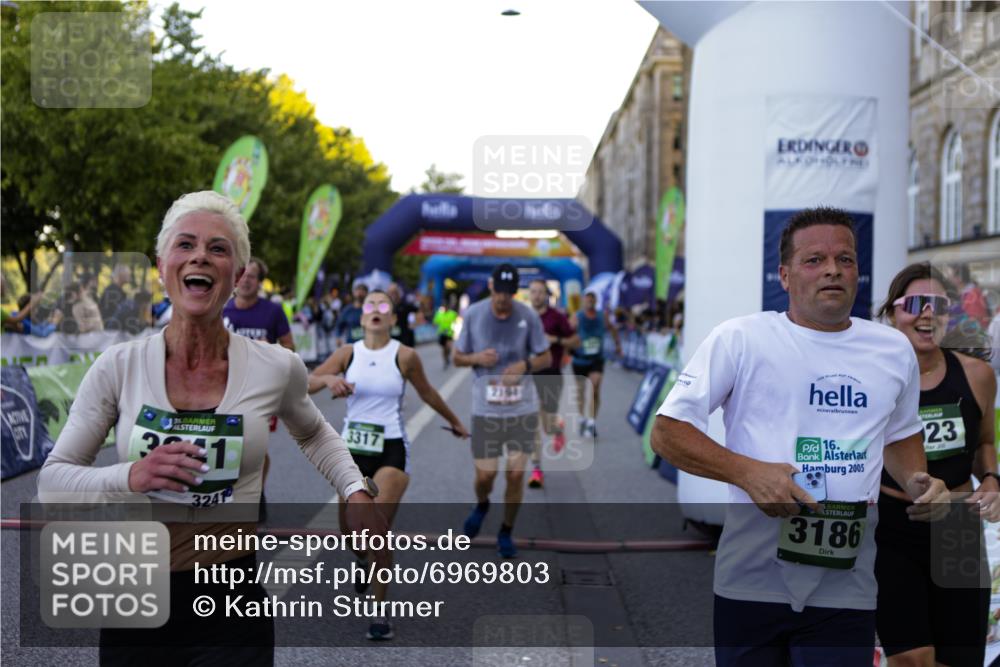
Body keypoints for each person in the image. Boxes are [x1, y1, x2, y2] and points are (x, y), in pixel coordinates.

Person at [37, 190, 384, 666]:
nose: (200, 255)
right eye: (185, 245)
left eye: (218, 248)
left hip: (230, 598)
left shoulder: (275, 367)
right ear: (162, 266)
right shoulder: (118, 366)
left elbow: (315, 432)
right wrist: (131, 477)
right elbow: (53, 482)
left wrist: (355, 490)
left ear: (237, 275)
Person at [650, 206, 949, 666]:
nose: (832, 269)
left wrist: (918, 482)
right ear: (785, 276)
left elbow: (901, 435)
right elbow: (667, 432)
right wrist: (748, 473)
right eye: (814, 260)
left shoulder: (892, 350)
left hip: (845, 585)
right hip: (751, 579)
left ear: (858, 272)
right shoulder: (741, 339)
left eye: (845, 259)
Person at [309, 289, 469, 640]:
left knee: (377, 526)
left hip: (392, 448)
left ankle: (380, 614)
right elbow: (307, 383)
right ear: (362, 316)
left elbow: (428, 392)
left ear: (394, 319)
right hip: (350, 452)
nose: (377, 310)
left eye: (385, 306)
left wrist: (455, 420)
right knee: (353, 534)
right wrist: (327, 379)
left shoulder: (406, 355)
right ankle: (361, 559)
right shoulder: (347, 353)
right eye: (371, 305)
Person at [874, 262, 999, 667]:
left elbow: (983, 441)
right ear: (893, 313)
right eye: (915, 303)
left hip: (957, 530)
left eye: (939, 305)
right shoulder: (872, 377)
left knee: (958, 658)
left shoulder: (977, 374)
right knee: (911, 658)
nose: (928, 314)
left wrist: (993, 479)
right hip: (895, 526)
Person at [453, 264, 551, 557]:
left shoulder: (528, 316)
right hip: (486, 411)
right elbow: (457, 358)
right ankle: (482, 504)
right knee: (486, 477)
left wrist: (525, 365)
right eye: (500, 292)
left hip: (522, 409)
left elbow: (546, 357)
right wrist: (476, 357)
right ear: (492, 287)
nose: (503, 299)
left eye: (510, 293)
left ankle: (506, 530)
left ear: (514, 292)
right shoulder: (474, 315)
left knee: (516, 475)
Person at [222, 256, 295, 518]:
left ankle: (255, 492)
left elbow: (290, 349)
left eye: (251, 277)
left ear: (260, 282)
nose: (245, 281)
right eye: (241, 276)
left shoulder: (272, 312)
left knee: (254, 446)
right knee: (232, 445)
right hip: (225, 389)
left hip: (260, 390)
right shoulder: (223, 309)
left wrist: (270, 349)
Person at [527, 278, 578, 488]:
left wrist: (555, 340)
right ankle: (536, 469)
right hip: (528, 375)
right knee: (532, 425)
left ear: (546, 295)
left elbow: (575, 341)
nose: (536, 295)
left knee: (546, 425)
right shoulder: (524, 317)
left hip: (551, 374)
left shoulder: (556, 317)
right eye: (533, 292)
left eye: (540, 292)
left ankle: (557, 429)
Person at [570, 289, 621, 438]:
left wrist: (618, 344)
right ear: (583, 301)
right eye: (587, 299)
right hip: (579, 359)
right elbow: (567, 331)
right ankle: (581, 419)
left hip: (596, 359)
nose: (590, 302)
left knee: (595, 388)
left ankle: (591, 422)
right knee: (580, 392)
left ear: (595, 302)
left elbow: (612, 328)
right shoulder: (577, 317)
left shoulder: (602, 316)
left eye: (592, 300)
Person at [335, 280, 367, 348]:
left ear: (367, 293)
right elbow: (339, 325)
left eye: (363, 290)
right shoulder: (347, 310)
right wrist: (338, 337)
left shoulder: (371, 310)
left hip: (368, 346)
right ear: (354, 292)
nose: (360, 293)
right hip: (352, 346)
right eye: (358, 290)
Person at [387, 282, 417, 347]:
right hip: (391, 339)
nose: (393, 295)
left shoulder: (406, 306)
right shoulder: (385, 307)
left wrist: (412, 322)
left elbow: (414, 314)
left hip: (405, 338)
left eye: (395, 292)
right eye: (391, 292)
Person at [433, 295, 459, 369]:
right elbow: (435, 322)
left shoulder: (452, 313)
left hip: (449, 333)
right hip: (442, 333)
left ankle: (448, 355)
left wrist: (455, 327)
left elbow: (457, 320)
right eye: (443, 306)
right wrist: (435, 324)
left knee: (449, 347)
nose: (444, 308)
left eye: (445, 306)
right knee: (444, 349)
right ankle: (445, 360)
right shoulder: (439, 314)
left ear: (448, 306)